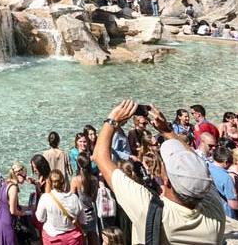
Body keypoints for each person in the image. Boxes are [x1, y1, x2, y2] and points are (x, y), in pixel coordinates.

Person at [93, 100, 226, 243]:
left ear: (167, 180)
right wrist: (167, 131)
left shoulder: (149, 210)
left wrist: (112, 120)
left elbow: (99, 156)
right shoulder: (215, 211)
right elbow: (197, 166)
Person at [34, 169, 83, 245]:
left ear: (49, 182)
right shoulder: (74, 198)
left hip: (53, 237)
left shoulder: (45, 198)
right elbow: (83, 220)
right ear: (63, 182)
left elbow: (40, 218)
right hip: (73, 237)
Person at [0, 162, 27, 245]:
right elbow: (13, 211)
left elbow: (5, 201)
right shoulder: (13, 188)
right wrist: (23, 213)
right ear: (18, 175)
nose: (25, 178)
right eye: (24, 176)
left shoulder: (6, 183)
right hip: (7, 223)